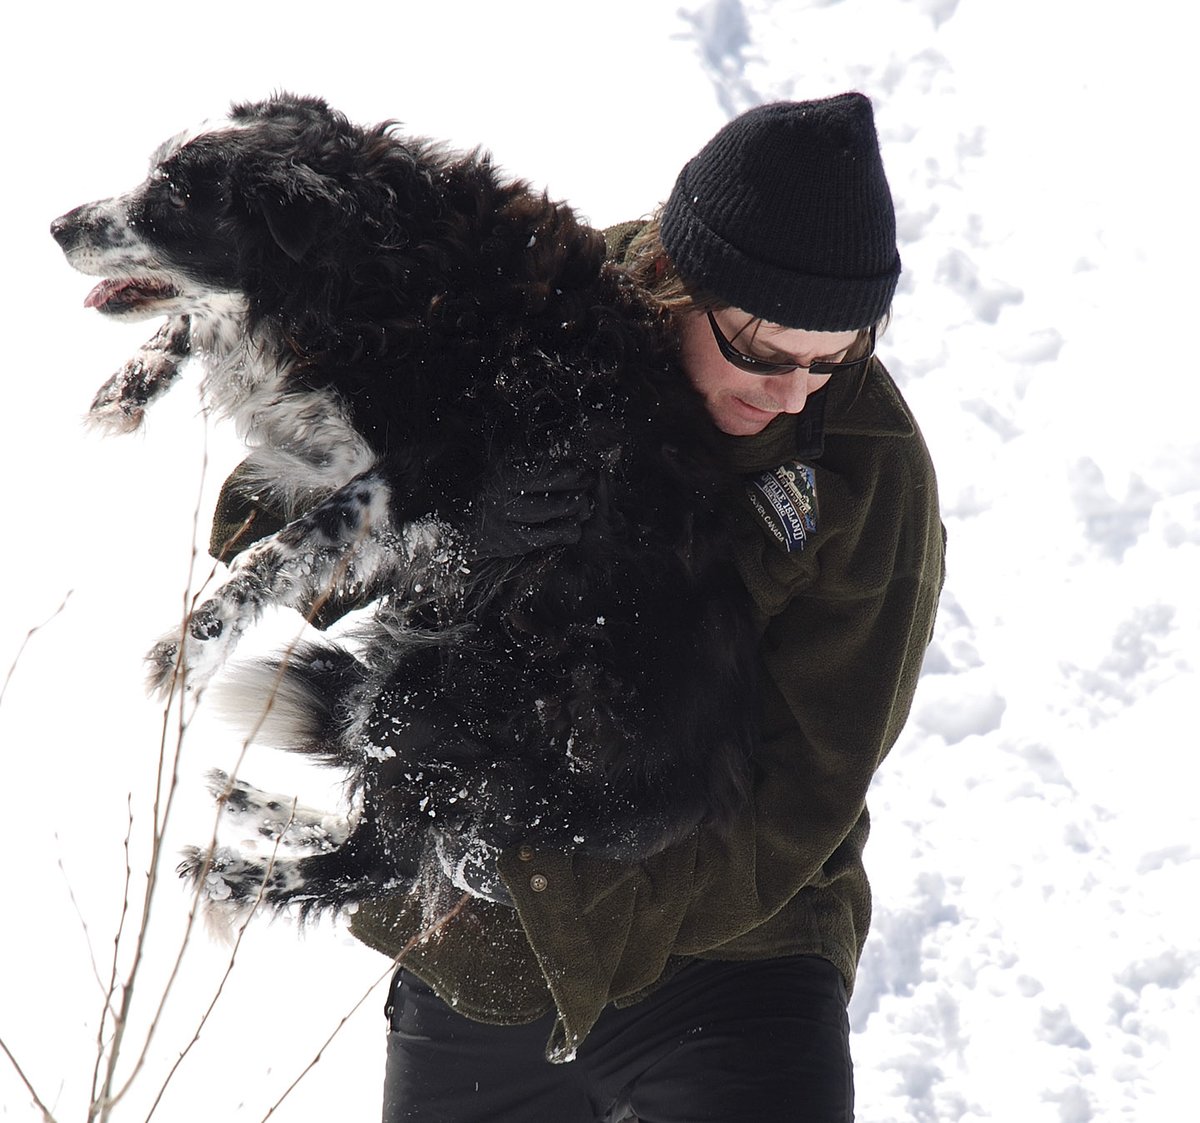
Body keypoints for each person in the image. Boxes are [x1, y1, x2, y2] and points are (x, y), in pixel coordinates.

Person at [214, 92, 945, 1122]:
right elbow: (254, 515)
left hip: (734, 948)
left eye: (833, 361)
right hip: (480, 938)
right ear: (678, 281)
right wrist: (452, 516)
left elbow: (806, 795)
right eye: (763, 352)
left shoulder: (872, 471)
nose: (793, 394)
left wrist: (584, 900)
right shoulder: (528, 323)